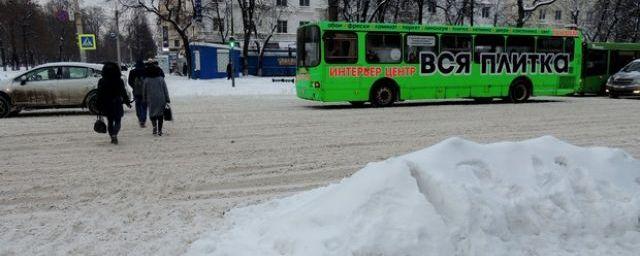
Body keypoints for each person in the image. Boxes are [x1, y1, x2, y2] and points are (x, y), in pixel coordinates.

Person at [97, 62, 131, 144]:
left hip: (107, 103)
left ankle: (112, 136)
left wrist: (99, 104)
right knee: (118, 120)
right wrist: (127, 102)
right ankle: (115, 134)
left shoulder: (102, 81)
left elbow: (99, 94)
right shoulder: (119, 80)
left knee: (110, 121)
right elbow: (123, 92)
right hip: (117, 102)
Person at [143, 63, 171, 136]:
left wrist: (144, 99)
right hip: (161, 99)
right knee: (160, 115)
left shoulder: (146, 80)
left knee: (152, 114)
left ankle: (154, 126)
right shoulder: (161, 79)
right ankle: (160, 130)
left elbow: (144, 90)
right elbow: (165, 89)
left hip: (151, 99)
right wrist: (167, 99)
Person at [128, 61, 147, 127]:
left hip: (136, 92)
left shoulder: (132, 72)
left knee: (138, 105)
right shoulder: (145, 71)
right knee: (144, 106)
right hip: (144, 92)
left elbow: (129, 81)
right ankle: (143, 120)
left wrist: (134, 86)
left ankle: (140, 118)